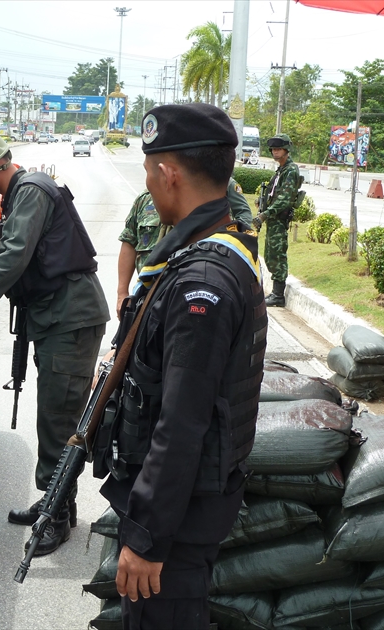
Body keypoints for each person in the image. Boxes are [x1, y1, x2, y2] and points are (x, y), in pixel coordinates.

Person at [98, 103, 266, 630]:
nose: (148, 186)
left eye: (149, 172)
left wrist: (146, 537)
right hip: (182, 509)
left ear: (168, 173)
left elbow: (183, 423)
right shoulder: (208, 251)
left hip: (177, 521)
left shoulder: (203, 283)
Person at [0, 127, 110, 554]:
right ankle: (54, 503)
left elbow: (17, 258)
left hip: (71, 318)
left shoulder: (30, 189)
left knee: (59, 420)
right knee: (53, 416)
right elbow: (22, 252)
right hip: (57, 317)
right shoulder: (18, 194)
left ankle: (58, 515)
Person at [116, 179, 252, 317]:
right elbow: (129, 241)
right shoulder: (145, 199)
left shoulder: (209, 191)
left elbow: (243, 216)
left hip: (190, 294)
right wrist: (122, 293)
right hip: (148, 293)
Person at [252, 133, 300, 307]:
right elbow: (274, 195)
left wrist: (265, 214)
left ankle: (278, 295)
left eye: (278, 149)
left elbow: (285, 199)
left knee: (277, 256)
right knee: (270, 256)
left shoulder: (291, 170)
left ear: (286, 149)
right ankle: (275, 292)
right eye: (273, 149)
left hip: (278, 218)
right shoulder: (281, 170)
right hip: (273, 218)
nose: (275, 152)